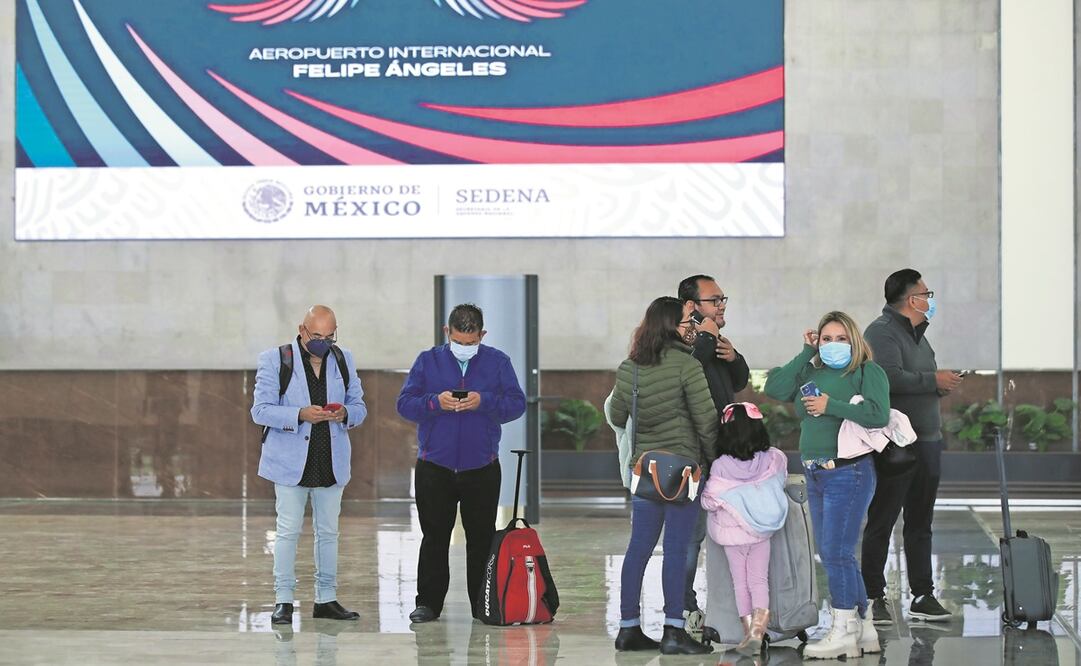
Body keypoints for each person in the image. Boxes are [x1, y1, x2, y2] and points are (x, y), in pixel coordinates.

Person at [764, 311, 888, 660]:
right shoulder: (812, 370)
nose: (833, 345)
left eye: (841, 338)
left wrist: (830, 405)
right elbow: (774, 388)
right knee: (836, 552)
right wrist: (805, 353)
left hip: (848, 472)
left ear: (855, 340)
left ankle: (842, 629)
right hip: (815, 473)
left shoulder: (866, 372)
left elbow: (879, 414)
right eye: (826, 339)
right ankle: (862, 628)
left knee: (835, 552)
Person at [397, 304, 527, 624]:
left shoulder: (498, 362)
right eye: (459, 342)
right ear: (447, 332)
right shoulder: (427, 362)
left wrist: (484, 401)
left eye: (471, 343)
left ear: (481, 335)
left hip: (481, 468)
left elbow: (516, 404)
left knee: (481, 538)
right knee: (434, 537)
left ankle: (482, 605)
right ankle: (428, 603)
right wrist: (434, 402)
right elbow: (405, 404)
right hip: (434, 467)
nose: (465, 348)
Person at [608, 296, 718, 655]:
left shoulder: (630, 367)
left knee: (638, 548)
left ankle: (628, 629)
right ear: (672, 325)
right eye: (688, 321)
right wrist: (715, 462)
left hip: (645, 470)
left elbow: (620, 414)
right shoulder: (687, 366)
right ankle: (674, 630)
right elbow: (706, 421)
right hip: (682, 473)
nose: (691, 328)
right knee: (675, 549)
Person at [251, 305, 368, 626]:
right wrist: (299, 414)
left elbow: (360, 408)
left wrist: (344, 412)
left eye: (330, 336)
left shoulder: (343, 360)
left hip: (331, 460)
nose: (324, 342)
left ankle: (326, 599)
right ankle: (284, 600)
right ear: (302, 330)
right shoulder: (275, 360)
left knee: (328, 533)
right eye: (317, 336)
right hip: (290, 462)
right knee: (287, 531)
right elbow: (260, 411)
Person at [861, 269, 960, 624]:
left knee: (921, 521)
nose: (929, 300)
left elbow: (917, 379)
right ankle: (873, 595)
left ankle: (923, 594)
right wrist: (932, 380)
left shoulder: (920, 336)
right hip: (896, 444)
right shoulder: (881, 332)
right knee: (883, 519)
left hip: (928, 440)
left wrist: (938, 384)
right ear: (908, 299)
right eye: (925, 293)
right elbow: (886, 377)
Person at [676, 274, 750, 631]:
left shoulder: (715, 341)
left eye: (723, 299)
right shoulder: (682, 343)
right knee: (690, 535)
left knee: (729, 531)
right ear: (691, 307)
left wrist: (734, 357)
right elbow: (689, 369)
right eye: (713, 300)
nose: (721, 305)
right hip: (693, 455)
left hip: (725, 453)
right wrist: (705, 336)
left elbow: (739, 382)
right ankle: (684, 607)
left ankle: (731, 604)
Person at [700, 402, 788, 657]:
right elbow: (779, 481)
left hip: (732, 535)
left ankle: (748, 630)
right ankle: (759, 631)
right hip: (762, 532)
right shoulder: (771, 458)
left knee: (740, 582)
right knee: (759, 580)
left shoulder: (721, 465)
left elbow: (710, 500)